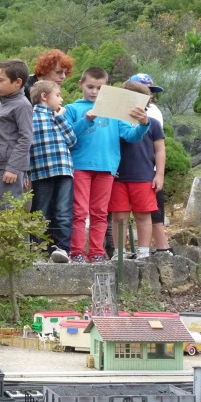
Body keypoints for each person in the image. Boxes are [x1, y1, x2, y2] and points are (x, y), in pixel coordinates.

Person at [64, 67, 151, 264]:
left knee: (100, 213)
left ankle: (96, 252)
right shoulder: (72, 109)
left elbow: (131, 136)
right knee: (79, 211)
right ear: (81, 85)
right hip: (80, 166)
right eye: (90, 87)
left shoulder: (114, 111)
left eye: (99, 88)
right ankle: (76, 251)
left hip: (107, 168)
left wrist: (144, 124)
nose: (94, 91)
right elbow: (68, 136)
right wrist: (87, 119)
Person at [29, 80, 94, 263]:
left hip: (64, 170)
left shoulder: (59, 117)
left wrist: (60, 118)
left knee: (64, 211)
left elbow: (71, 139)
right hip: (40, 172)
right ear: (44, 96)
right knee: (41, 211)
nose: (61, 99)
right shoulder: (30, 116)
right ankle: (39, 249)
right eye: (57, 95)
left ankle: (62, 249)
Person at [108, 81, 166, 260]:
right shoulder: (113, 122)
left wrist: (159, 175)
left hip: (144, 176)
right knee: (119, 216)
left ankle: (143, 252)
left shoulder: (153, 124)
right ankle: (119, 253)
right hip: (118, 177)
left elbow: (160, 150)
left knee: (143, 215)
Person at [128, 73, 173, 256]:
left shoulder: (153, 112)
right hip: (126, 171)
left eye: (151, 91)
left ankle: (162, 248)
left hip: (147, 169)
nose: (149, 95)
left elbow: (158, 146)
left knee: (152, 211)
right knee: (121, 213)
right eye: (144, 91)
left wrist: (159, 172)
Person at [0, 59, 33, 208]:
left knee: (11, 211)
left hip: (11, 168)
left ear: (17, 82)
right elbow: (0, 133)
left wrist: (13, 168)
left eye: (1, 80)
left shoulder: (22, 105)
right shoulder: (3, 101)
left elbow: (26, 138)